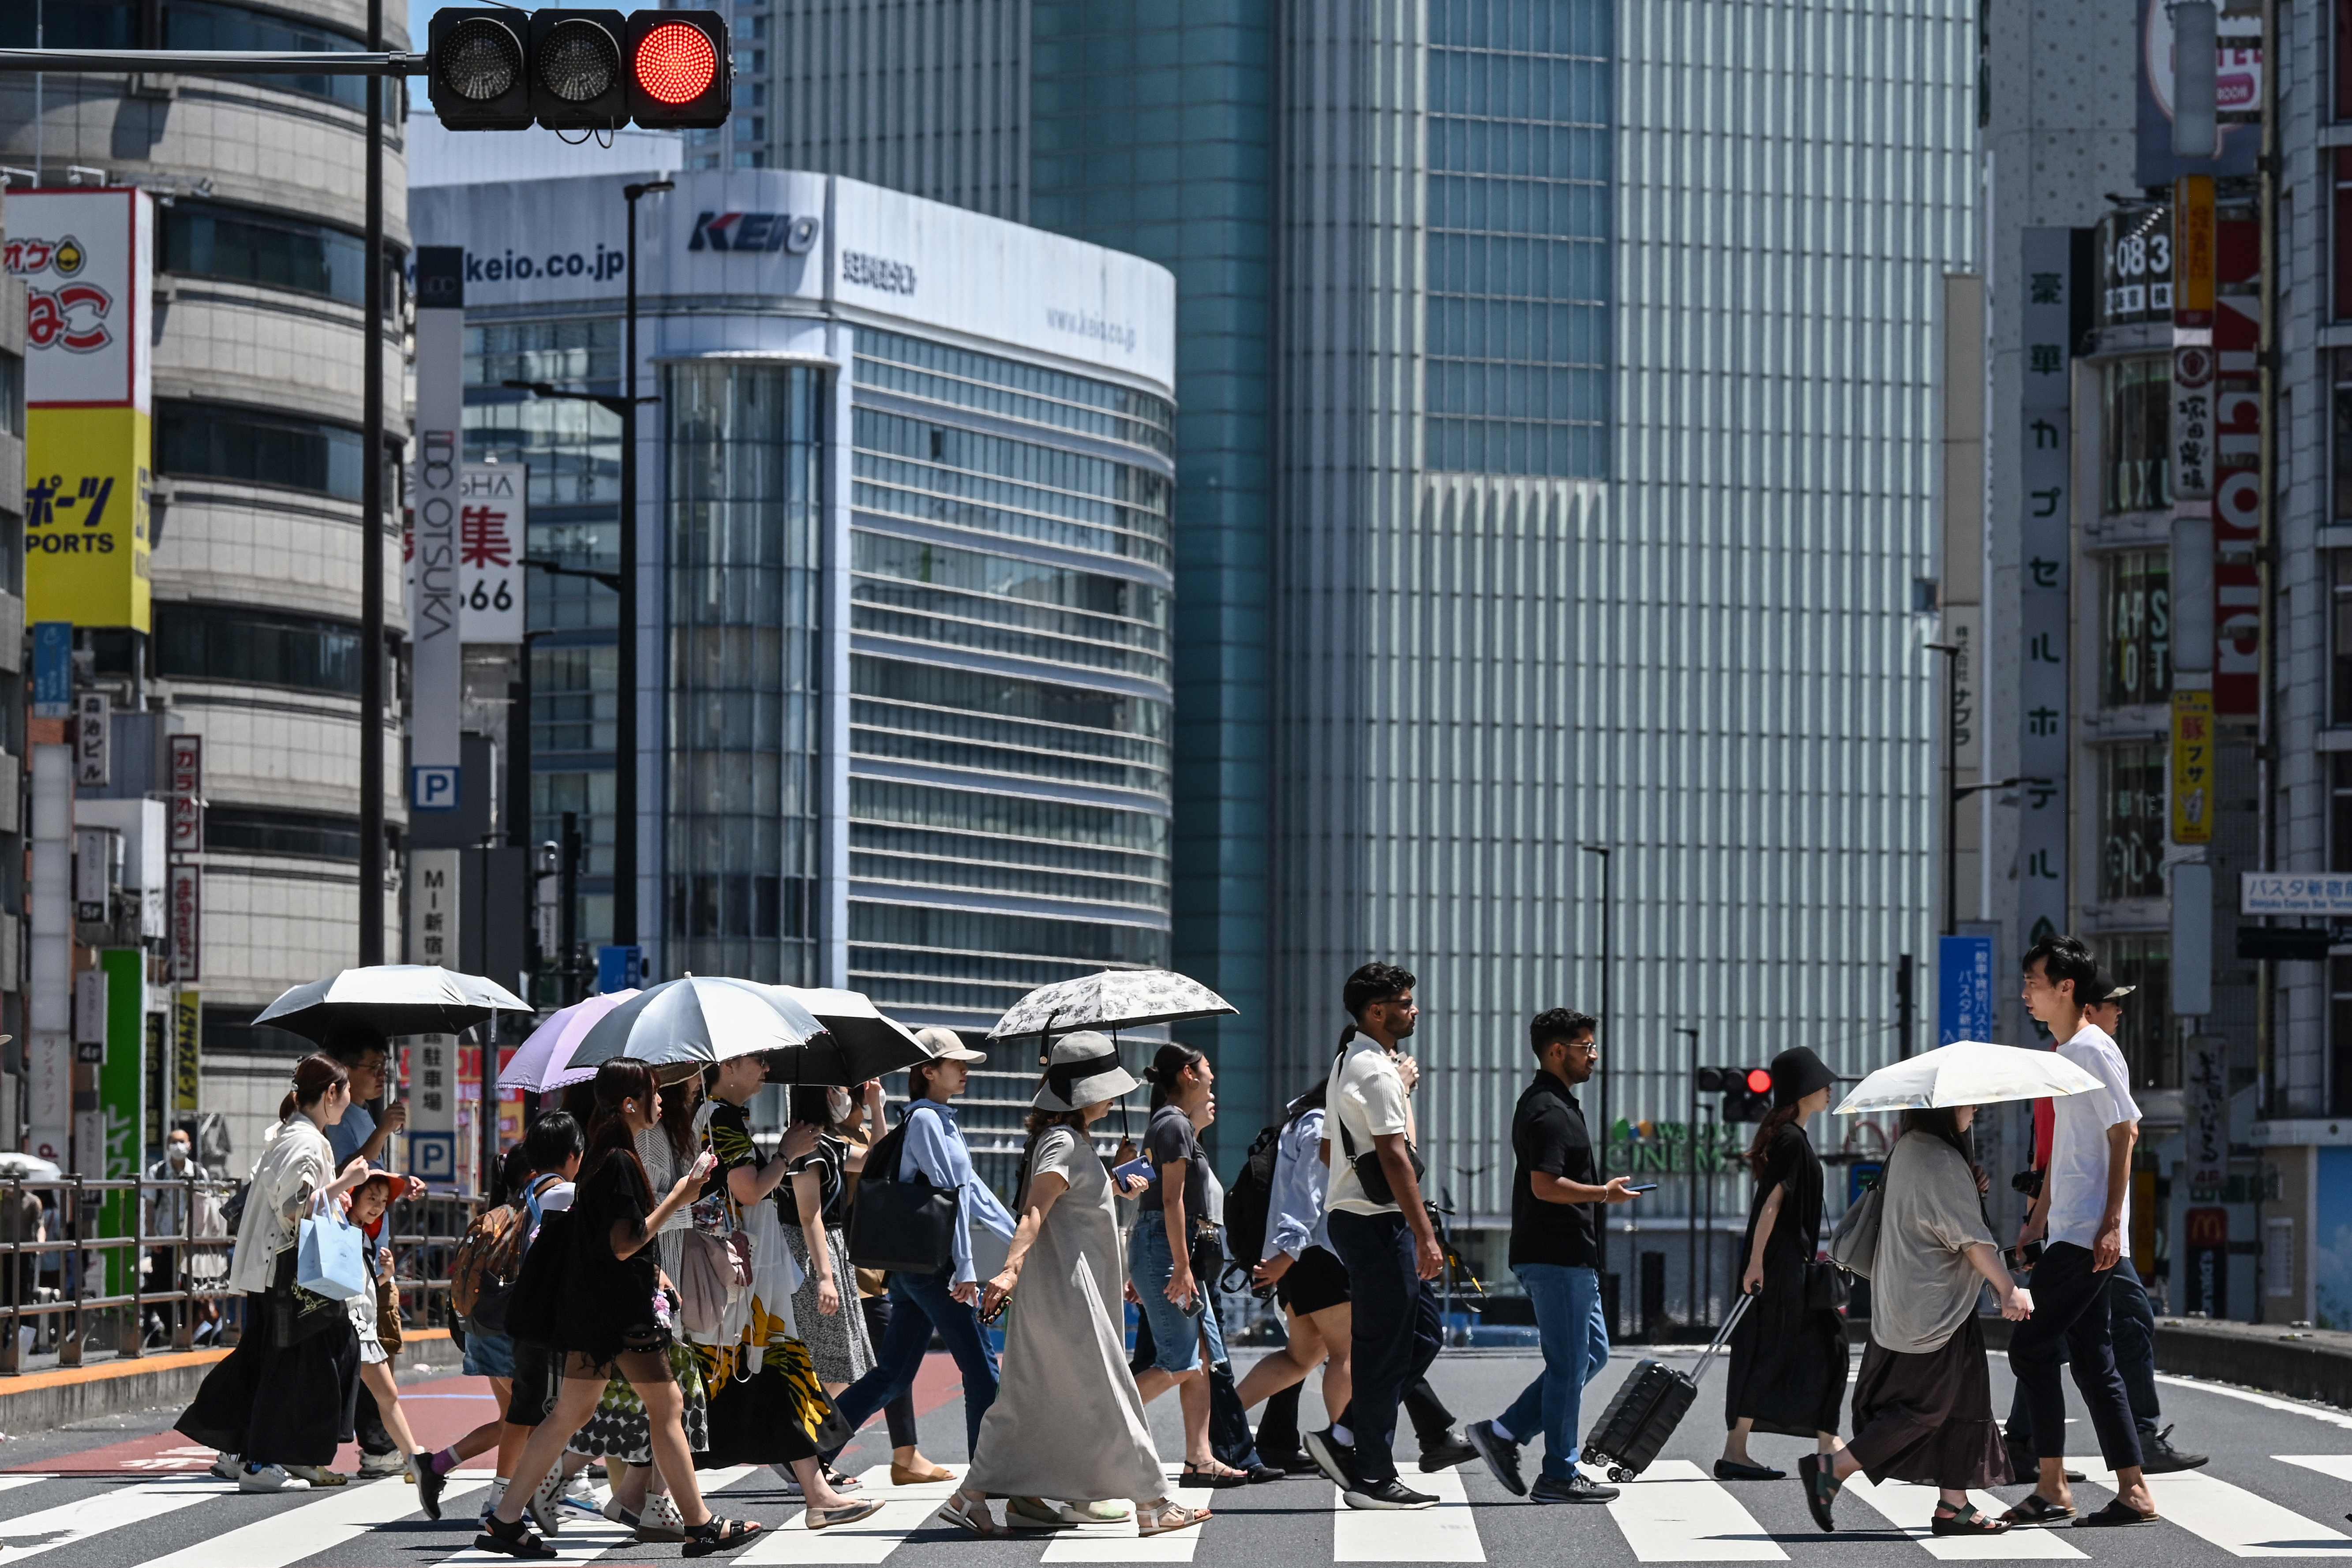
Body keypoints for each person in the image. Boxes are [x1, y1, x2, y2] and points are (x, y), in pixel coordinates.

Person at [474, 1059, 764, 1560]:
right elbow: (625, 1244)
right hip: (620, 1312)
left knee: (572, 1413)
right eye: (653, 1094)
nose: (660, 1101)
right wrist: (681, 1195)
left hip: (593, 1310)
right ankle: (700, 1525)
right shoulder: (620, 1162)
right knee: (666, 1406)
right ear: (629, 1104)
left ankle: (505, 1520)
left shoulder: (601, 1156)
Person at [934, 1033, 1212, 1538]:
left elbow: (1072, 1200)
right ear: (1084, 1093)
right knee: (1109, 1390)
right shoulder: (1062, 1141)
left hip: (1067, 1286)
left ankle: (970, 1496)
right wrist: (1009, 1270)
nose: (1112, 1097)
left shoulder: (1071, 1141)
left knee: (1028, 1398)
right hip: (1067, 1290)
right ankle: (1152, 1502)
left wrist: (1115, 1179)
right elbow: (1036, 1210)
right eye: (1105, 1087)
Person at [2003, 976, 2204, 1478]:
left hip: (2083, 1224)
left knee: (2081, 1346)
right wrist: (2074, 1221)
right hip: (2089, 1228)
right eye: (2114, 1005)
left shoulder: (2077, 1053)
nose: (2120, 1014)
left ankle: (2074, 1460)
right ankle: (2121, 1448)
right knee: (2112, 1332)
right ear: (2086, 1004)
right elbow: (2072, 1145)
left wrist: (2037, 1222)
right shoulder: (2086, 1054)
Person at [1799, 1104, 2029, 1537]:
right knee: (1927, 1406)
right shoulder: (1938, 1158)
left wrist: (1967, 1182)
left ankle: (1953, 1505)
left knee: (1967, 1401)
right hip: (1933, 1307)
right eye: (1967, 1102)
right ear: (1943, 1108)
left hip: (1925, 1299)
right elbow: (1970, 1238)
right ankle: (1834, 1468)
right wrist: (2007, 1288)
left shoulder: (1912, 1147)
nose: (1975, 1108)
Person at [2002, 934, 2160, 1527]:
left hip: (2088, 1233)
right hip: (2068, 1227)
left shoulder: (2092, 1048)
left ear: (2068, 987)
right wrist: (2036, 1220)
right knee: (2094, 1359)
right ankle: (2133, 1489)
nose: (2027, 994)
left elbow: (2126, 1131)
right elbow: (2069, 1151)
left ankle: (2053, 1483)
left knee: (2032, 1345)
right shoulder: (2067, 1052)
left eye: (2035, 983)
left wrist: (2111, 1225)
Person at [1243, 1075, 1466, 1477]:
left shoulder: (1308, 1118)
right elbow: (1310, 1192)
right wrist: (1288, 1252)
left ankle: (1219, 1423)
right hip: (1317, 1254)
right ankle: (1340, 1445)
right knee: (1346, 1354)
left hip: (1303, 1255)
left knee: (1301, 1357)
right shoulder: (1319, 1122)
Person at [688, 1053, 876, 1527]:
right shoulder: (719, 1118)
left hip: (741, 1271)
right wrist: (785, 1154)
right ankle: (596, 1481)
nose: (766, 1071)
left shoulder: (717, 1116)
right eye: (757, 1063)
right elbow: (749, 1191)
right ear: (729, 1066)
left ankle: (817, 1495)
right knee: (724, 1381)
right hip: (737, 1273)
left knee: (772, 1373)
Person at [177, 1054, 378, 1493]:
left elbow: (296, 1202)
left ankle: (266, 1454)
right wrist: (346, 1182)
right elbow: (294, 1208)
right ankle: (262, 1459)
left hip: (277, 1271)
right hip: (290, 1274)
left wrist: (334, 1195)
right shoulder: (306, 1143)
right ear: (330, 1095)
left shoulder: (294, 1137)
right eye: (343, 1100)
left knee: (274, 1361)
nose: (345, 1109)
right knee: (306, 1362)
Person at [1464, 1008, 1640, 1504]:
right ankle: (1558, 1475)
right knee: (1568, 1365)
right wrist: (1603, 1195)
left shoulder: (1558, 1103)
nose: (1594, 1057)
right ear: (1557, 1051)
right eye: (1586, 1047)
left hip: (1569, 1254)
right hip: (1555, 1255)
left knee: (1592, 1355)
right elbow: (1544, 1185)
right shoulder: (1548, 1110)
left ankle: (1502, 1434)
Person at [1306, 962, 1457, 1510]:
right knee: (1385, 1348)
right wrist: (1425, 1236)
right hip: (1378, 1221)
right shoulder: (1376, 1070)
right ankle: (1371, 1475)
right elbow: (1397, 1158)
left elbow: (1329, 1151)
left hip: (1357, 1216)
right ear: (1377, 1011)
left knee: (1418, 1338)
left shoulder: (1347, 1062)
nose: (1413, 1009)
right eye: (1404, 1001)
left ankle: (1344, 1434)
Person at [826, 1032, 1014, 1463]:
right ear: (928, 1071)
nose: (965, 1070)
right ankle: (985, 1480)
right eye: (955, 1063)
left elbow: (976, 1193)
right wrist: (965, 1269)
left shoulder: (942, 1119)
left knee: (892, 1375)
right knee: (983, 1373)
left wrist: (1021, 1241)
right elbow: (951, 1197)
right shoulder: (927, 1121)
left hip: (921, 1271)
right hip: (936, 1271)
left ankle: (809, 1452)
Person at [419, 1116, 584, 1527]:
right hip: (514, 1326)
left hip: (488, 1322)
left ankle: (445, 1469)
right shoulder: (563, 1193)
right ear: (572, 1155)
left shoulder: (525, 1193)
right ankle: (522, 1499)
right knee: (539, 1416)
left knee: (518, 1418)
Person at [1124, 1043, 1258, 1485]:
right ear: (1187, 1074)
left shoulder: (1177, 1126)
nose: (1213, 1077)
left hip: (1167, 1247)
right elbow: (1169, 1200)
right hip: (1168, 1247)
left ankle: (1200, 1459)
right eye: (1207, 1070)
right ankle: (1096, 1425)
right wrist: (1180, 1267)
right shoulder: (1173, 1124)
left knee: (1202, 1359)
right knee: (1178, 1361)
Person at [1716, 1046, 1848, 1481]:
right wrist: (1756, 1264)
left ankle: (1822, 1442)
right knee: (1782, 1350)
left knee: (1805, 1348)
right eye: (1822, 1083)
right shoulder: (1791, 1139)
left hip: (1789, 1263)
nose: (1829, 1090)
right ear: (1804, 1090)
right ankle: (1744, 1450)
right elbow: (1771, 1204)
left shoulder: (1794, 1136)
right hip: (1781, 1265)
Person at [318, 1027, 427, 1478]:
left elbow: (370, 1178)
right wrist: (383, 1131)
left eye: (385, 1067)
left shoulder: (361, 1116)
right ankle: (384, 1446)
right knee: (367, 1352)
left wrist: (398, 1181)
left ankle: (383, 1446)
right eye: (372, 1067)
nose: (382, 1075)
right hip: (350, 1253)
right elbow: (349, 1175)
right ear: (344, 1074)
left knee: (374, 1350)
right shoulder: (345, 1121)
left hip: (370, 1253)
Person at [836, 1077, 951, 1486]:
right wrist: (879, 1109)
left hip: (873, 1269)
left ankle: (904, 1455)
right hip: (849, 1268)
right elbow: (873, 1161)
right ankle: (813, 1446)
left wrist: (876, 1110)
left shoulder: (864, 1132)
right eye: (853, 1095)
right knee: (884, 1367)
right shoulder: (828, 1139)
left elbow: (886, 1158)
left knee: (890, 1366)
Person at [344, 1170, 447, 1517]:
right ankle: (416, 1458)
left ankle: (415, 1458)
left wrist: (385, 1275)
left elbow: (359, 1282)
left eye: (383, 1201)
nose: (377, 1207)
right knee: (378, 1395)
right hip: (347, 1326)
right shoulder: (341, 1228)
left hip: (358, 1325)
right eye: (371, 1197)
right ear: (353, 1194)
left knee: (385, 1395)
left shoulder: (362, 1234)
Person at [782, 1084, 878, 1400]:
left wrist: (876, 1107)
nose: (842, 1096)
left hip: (831, 1249)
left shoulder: (828, 1143)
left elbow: (876, 1160)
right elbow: (809, 1214)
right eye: (835, 1089)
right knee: (828, 1361)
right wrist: (825, 1276)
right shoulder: (806, 1147)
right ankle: (802, 1438)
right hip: (810, 1255)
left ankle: (806, 1437)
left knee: (841, 1362)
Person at [143, 1126, 208, 1346]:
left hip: (192, 1240)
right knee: (161, 1285)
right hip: (165, 1237)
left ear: (190, 1145)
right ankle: (170, 1328)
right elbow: (149, 1207)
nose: (178, 1146)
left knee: (194, 1285)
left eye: (182, 1141)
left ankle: (188, 1329)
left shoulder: (199, 1172)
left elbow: (206, 1204)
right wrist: (152, 1237)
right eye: (173, 1142)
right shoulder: (157, 1172)